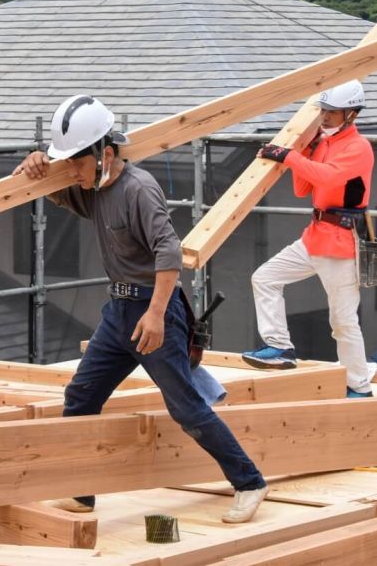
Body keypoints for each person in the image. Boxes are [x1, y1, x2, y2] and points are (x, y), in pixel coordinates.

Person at [14, 94, 268, 523]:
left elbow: (169, 251)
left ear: (105, 153)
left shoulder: (138, 190)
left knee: (186, 407)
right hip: (118, 312)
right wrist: (33, 161)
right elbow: (43, 182)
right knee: (80, 397)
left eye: (76, 162)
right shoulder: (91, 188)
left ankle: (249, 482)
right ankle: (81, 494)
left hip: (154, 309)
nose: (71, 171)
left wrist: (155, 314)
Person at [241, 79, 375, 398]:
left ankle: (359, 386)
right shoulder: (324, 143)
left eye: (333, 112)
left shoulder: (359, 148)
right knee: (265, 278)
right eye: (323, 110)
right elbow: (304, 189)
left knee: (342, 321)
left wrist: (289, 156)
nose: (325, 116)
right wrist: (304, 150)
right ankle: (279, 347)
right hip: (315, 237)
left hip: (342, 243)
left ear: (351, 114)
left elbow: (328, 176)